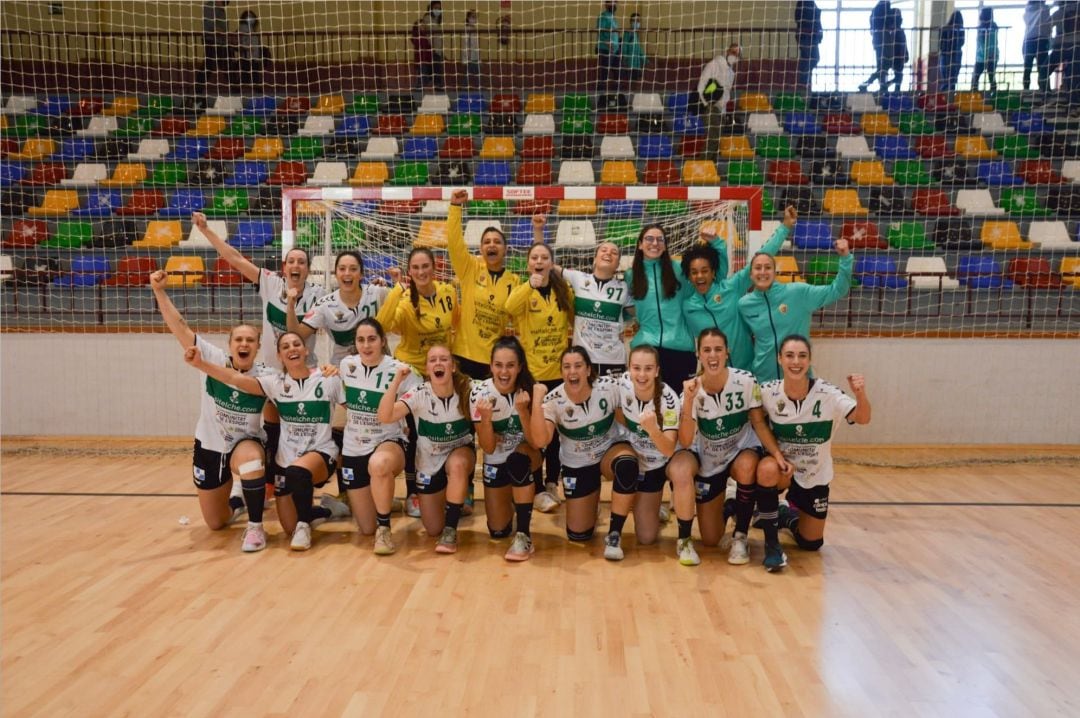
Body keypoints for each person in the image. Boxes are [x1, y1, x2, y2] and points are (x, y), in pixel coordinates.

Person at [193, 211, 324, 509]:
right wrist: (206, 230)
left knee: (300, 432)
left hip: (300, 375)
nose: (296, 265)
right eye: (291, 261)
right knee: (259, 428)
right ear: (284, 267)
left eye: (301, 262)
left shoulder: (318, 296)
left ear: (308, 269)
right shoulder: (271, 284)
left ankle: (298, 491)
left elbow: (295, 336)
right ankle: (253, 486)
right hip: (266, 374)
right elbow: (235, 259)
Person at [184, 331, 347, 552]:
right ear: (279, 355)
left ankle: (292, 525)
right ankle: (327, 510)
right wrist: (200, 364)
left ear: (306, 350)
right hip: (286, 459)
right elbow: (234, 378)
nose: (292, 349)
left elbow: (353, 409)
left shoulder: (328, 378)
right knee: (285, 526)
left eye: (297, 344)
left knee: (297, 486)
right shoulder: (273, 383)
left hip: (317, 454)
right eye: (286, 346)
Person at [150, 269, 271, 552]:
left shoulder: (265, 374)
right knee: (216, 523)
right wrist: (159, 292)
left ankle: (255, 528)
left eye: (250, 340)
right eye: (238, 340)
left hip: (244, 444)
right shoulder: (214, 359)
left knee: (252, 460)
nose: (244, 344)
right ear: (229, 346)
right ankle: (239, 499)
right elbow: (180, 326)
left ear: (257, 347)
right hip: (210, 446)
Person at [668, 328, 788, 567]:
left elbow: (758, 423)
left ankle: (740, 536)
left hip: (740, 451)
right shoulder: (691, 389)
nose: (713, 356)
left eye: (718, 350)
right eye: (707, 350)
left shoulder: (745, 380)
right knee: (711, 539)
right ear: (698, 354)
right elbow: (684, 438)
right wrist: (690, 400)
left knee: (747, 466)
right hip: (709, 461)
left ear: (727, 352)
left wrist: (776, 454)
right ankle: (732, 504)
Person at [755, 335, 871, 571]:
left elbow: (863, 417)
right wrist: (777, 454)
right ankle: (772, 546)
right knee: (767, 468)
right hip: (783, 470)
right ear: (779, 359)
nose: (795, 361)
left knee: (811, 543)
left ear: (809, 360)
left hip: (814, 474)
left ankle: (785, 515)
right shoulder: (768, 392)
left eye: (802, 356)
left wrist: (860, 394)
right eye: (789, 355)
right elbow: (756, 419)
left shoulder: (827, 393)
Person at [376, 246, 458, 518]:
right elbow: (382, 325)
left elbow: (454, 324)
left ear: (434, 267)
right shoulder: (404, 301)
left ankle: (456, 488)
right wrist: (396, 290)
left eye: (426, 266)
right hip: (412, 371)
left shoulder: (447, 292)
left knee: (451, 430)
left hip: (441, 370)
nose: (421, 272)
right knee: (416, 434)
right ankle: (413, 493)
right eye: (416, 268)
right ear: (410, 271)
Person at [530, 347, 635, 545]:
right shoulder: (553, 400)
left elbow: (632, 420)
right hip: (578, 463)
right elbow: (540, 441)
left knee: (627, 464)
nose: (572, 372)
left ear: (588, 370)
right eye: (567, 367)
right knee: (579, 535)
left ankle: (614, 534)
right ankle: (591, 500)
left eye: (578, 366)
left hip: (608, 452)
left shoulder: (609, 387)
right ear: (561, 372)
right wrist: (536, 402)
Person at [376, 345, 475, 554]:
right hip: (429, 462)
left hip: (460, 453)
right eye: (432, 360)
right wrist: (396, 382)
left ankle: (450, 530)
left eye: (444, 359)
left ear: (453, 367)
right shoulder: (419, 393)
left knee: (457, 465)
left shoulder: (468, 389)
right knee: (432, 529)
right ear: (427, 369)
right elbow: (385, 417)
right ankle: (453, 503)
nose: (438, 363)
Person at [681, 206, 796, 374]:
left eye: (704, 271)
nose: (699, 276)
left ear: (713, 273)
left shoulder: (731, 287)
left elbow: (760, 258)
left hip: (749, 371)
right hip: (716, 376)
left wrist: (785, 227)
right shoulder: (687, 307)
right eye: (694, 272)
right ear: (689, 277)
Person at [504, 242, 574, 513]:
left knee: (555, 433)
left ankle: (552, 481)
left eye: (545, 257)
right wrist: (529, 286)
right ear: (528, 263)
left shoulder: (563, 290)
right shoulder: (524, 290)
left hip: (559, 374)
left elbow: (574, 319)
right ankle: (536, 488)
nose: (539, 261)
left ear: (551, 262)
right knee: (534, 433)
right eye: (534, 257)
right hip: (533, 375)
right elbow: (509, 307)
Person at [339, 319, 418, 555]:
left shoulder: (401, 370)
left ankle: (384, 529)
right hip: (353, 447)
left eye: (372, 339)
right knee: (365, 528)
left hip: (388, 442)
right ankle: (383, 497)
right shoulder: (346, 365)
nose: (366, 345)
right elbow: (344, 399)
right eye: (360, 340)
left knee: (379, 464)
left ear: (383, 341)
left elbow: (421, 402)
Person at [625, 223, 726, 390]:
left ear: (665, 246)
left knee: (680, 407)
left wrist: (717, 243)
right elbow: (626, 308)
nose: (655, 243)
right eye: (649, 239)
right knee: (646, 407)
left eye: (660, 239)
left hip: (680, 350)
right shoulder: (631, 275)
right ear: (640, 244)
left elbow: (714, 277)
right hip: (645, 350)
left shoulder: (679, 270)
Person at [737, 238, 852, 385]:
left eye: (768, 267)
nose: (763, 272)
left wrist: (845, 258)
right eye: (758, 268)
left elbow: (837, 290)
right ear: (751, 274)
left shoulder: (798, 292)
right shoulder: (744, 305)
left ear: (775, 271)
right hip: (762, 379)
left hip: (798, 378)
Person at [469, 337, 544, 561]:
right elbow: (489, 448)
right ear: (491, 366)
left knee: (518, 461)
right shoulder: (479, 393)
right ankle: (515, 499)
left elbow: (536, 443)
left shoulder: (531, 390)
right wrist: (486, 421)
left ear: (520, 367)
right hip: (496, 461)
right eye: (498, 365)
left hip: (525, 455)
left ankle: (524, 535)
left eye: (510, 365)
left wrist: (523, 412)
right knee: (498, 531)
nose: (504, 372)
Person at [533, 215, 632, 376]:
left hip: (613, 359)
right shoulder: (579, 278)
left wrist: (626, 325)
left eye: (614, 253)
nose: (608, 253)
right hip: (582, 360)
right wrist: (538, 230)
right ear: (594, 259)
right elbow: (545, 261)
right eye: (604, 250)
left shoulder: (624, 288)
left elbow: (639, 314)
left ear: (617, 264)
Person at [610, 345, 681, 562]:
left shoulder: (669, 399)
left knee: (647, 538)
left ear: (657, 371)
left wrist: (652, 430)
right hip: (631, 456)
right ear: (628, 368)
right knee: (625, 465)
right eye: (636, 368)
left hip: (656, 464)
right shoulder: (620, 383)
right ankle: (615, 528)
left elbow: (669, 448)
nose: (641, 375)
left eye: (648, 369)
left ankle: (650, 504)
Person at [446, 189, 519, 381]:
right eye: (486, 242)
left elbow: (520, 320)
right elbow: (454, 244)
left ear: (505, 250)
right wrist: (455, 207)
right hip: (463, 356)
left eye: (497, 242)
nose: (491, 245)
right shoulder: (470, 269)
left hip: (493, 361)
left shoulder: (515, 282)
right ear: (481, 249)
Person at [697, 43, 739, 159]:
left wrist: (724, 113)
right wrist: (707, 105)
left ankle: (711, 170)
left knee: (716, 143)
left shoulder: (731, 73)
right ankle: (701, 168)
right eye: (733, 52)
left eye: (737, 54)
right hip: (711, 107)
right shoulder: (714, 64)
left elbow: (726, 94)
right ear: (727, 51)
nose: (734, 56)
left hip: (721, 110)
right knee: (712, 140)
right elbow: (701, 85)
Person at [196, 0, 230, 103]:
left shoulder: (221, 9)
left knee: (224, 66)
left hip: (220, 42)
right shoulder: (210, 7)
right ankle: (198, 92)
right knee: (209, 67)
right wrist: (224, 33)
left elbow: (222, 26)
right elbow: (212, 26)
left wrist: (226, 35)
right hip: (212, 41)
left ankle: (235, 90)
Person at [859, 1, 891, 92]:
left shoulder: (875, 10)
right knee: (884, 66)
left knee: (882, 66)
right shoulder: (885, 8)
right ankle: (868, 83)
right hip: (884, 41)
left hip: (877, 41)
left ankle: (882, 86)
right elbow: (888, 23)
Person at [412, 1, 444, 90]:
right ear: (431, 8)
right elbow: (430, 32)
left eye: (439, 8)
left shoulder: (437, 20)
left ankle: (437, 85)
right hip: (431, 48)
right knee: (427, 69)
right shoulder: (428, 18)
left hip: (437, 48)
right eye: (435, 8)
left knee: (436, 68)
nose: (437, 10)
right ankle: (421, 86)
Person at [794, 1, 823, 90]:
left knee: (809, 59)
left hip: (812, 36)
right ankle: (803, 83)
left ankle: (804, 83)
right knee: (810, 58)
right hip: (806, 35)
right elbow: (798, 18)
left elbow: (817, 21)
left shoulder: (811, 3)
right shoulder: (803, 2)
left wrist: (820, 33)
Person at [1024, 1, 1053, 92]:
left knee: (1027, 67)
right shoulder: (1044, 9)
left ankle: (1026, 89)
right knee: (1042, 67)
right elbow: (1047, 25)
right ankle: (1045, 89)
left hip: (1029, 39)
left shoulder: (1027, 10)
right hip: (1041, 39)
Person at [237, 10, 267, 90]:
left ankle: (254, 87)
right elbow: (243, 41)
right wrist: (249, 48)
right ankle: (253, 87)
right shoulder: (244, 28)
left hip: (252, 54)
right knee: (250, 73)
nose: (251, 18)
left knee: (252, 72)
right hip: (248, 55)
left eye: (252, 16)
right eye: (249, 16)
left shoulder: (250, 28)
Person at [972, 7, 1000, 93]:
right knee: (986, 77)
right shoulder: (992, 27)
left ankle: (991, 93)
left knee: (981, 77)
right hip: (985, 56)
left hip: (985, 56)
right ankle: (976, 93)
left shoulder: (991, 27)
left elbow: (984, 42)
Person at [938, 11, 965, 94]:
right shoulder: (960, 30)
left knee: (945, 79)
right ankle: (950, 96)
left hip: (945, 55)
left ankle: (943, 96)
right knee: (953, 79)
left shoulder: (944, 29)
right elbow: (962, 42)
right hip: (955, 55)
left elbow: (940, 43)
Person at [882, 9, 909, 93]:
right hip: (896, 55)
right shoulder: (895, 30)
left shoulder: (898, 30)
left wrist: (906, 54)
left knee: (899, 75)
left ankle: (893, 88)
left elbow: (904, 43)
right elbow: (901, 43)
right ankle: (889, 87)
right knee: (899, 76)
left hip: (898, 54)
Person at [596, 0, 621, 91]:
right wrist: (608, 43)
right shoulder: (603, 16)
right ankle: (599, 96)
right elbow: (600, 31)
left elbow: (615, 32)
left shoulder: (613, 17)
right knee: (604, 73)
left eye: (615, 2)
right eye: (611, 2)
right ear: (606, 4)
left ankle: (616, 94)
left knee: (617, 72)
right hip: (605, 49)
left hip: (615, 49)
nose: (613, 4)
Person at [621, 12, 646, 88]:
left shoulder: (636, 34)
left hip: (637, 64)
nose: (636, 23)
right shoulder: (628, 33)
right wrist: (624, 60)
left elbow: (639, 49)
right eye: (634, 21)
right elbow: (624, 46)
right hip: (630, 64)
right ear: (630, 22)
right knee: (632, 85)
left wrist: (645, 60)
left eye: (638, 21)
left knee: (638, 83)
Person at [462, 9, 481, 89]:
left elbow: (476, 44)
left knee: (477, 71)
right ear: (468, 18)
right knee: (468, 72)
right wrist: (468, 55)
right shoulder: (467, 29)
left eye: (475, 17)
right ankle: (465, 86)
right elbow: (466, 43)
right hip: (469, 55)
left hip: (475, 55)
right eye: (473, 17)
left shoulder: (474, 29)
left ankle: (478, 86)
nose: (474, 19)